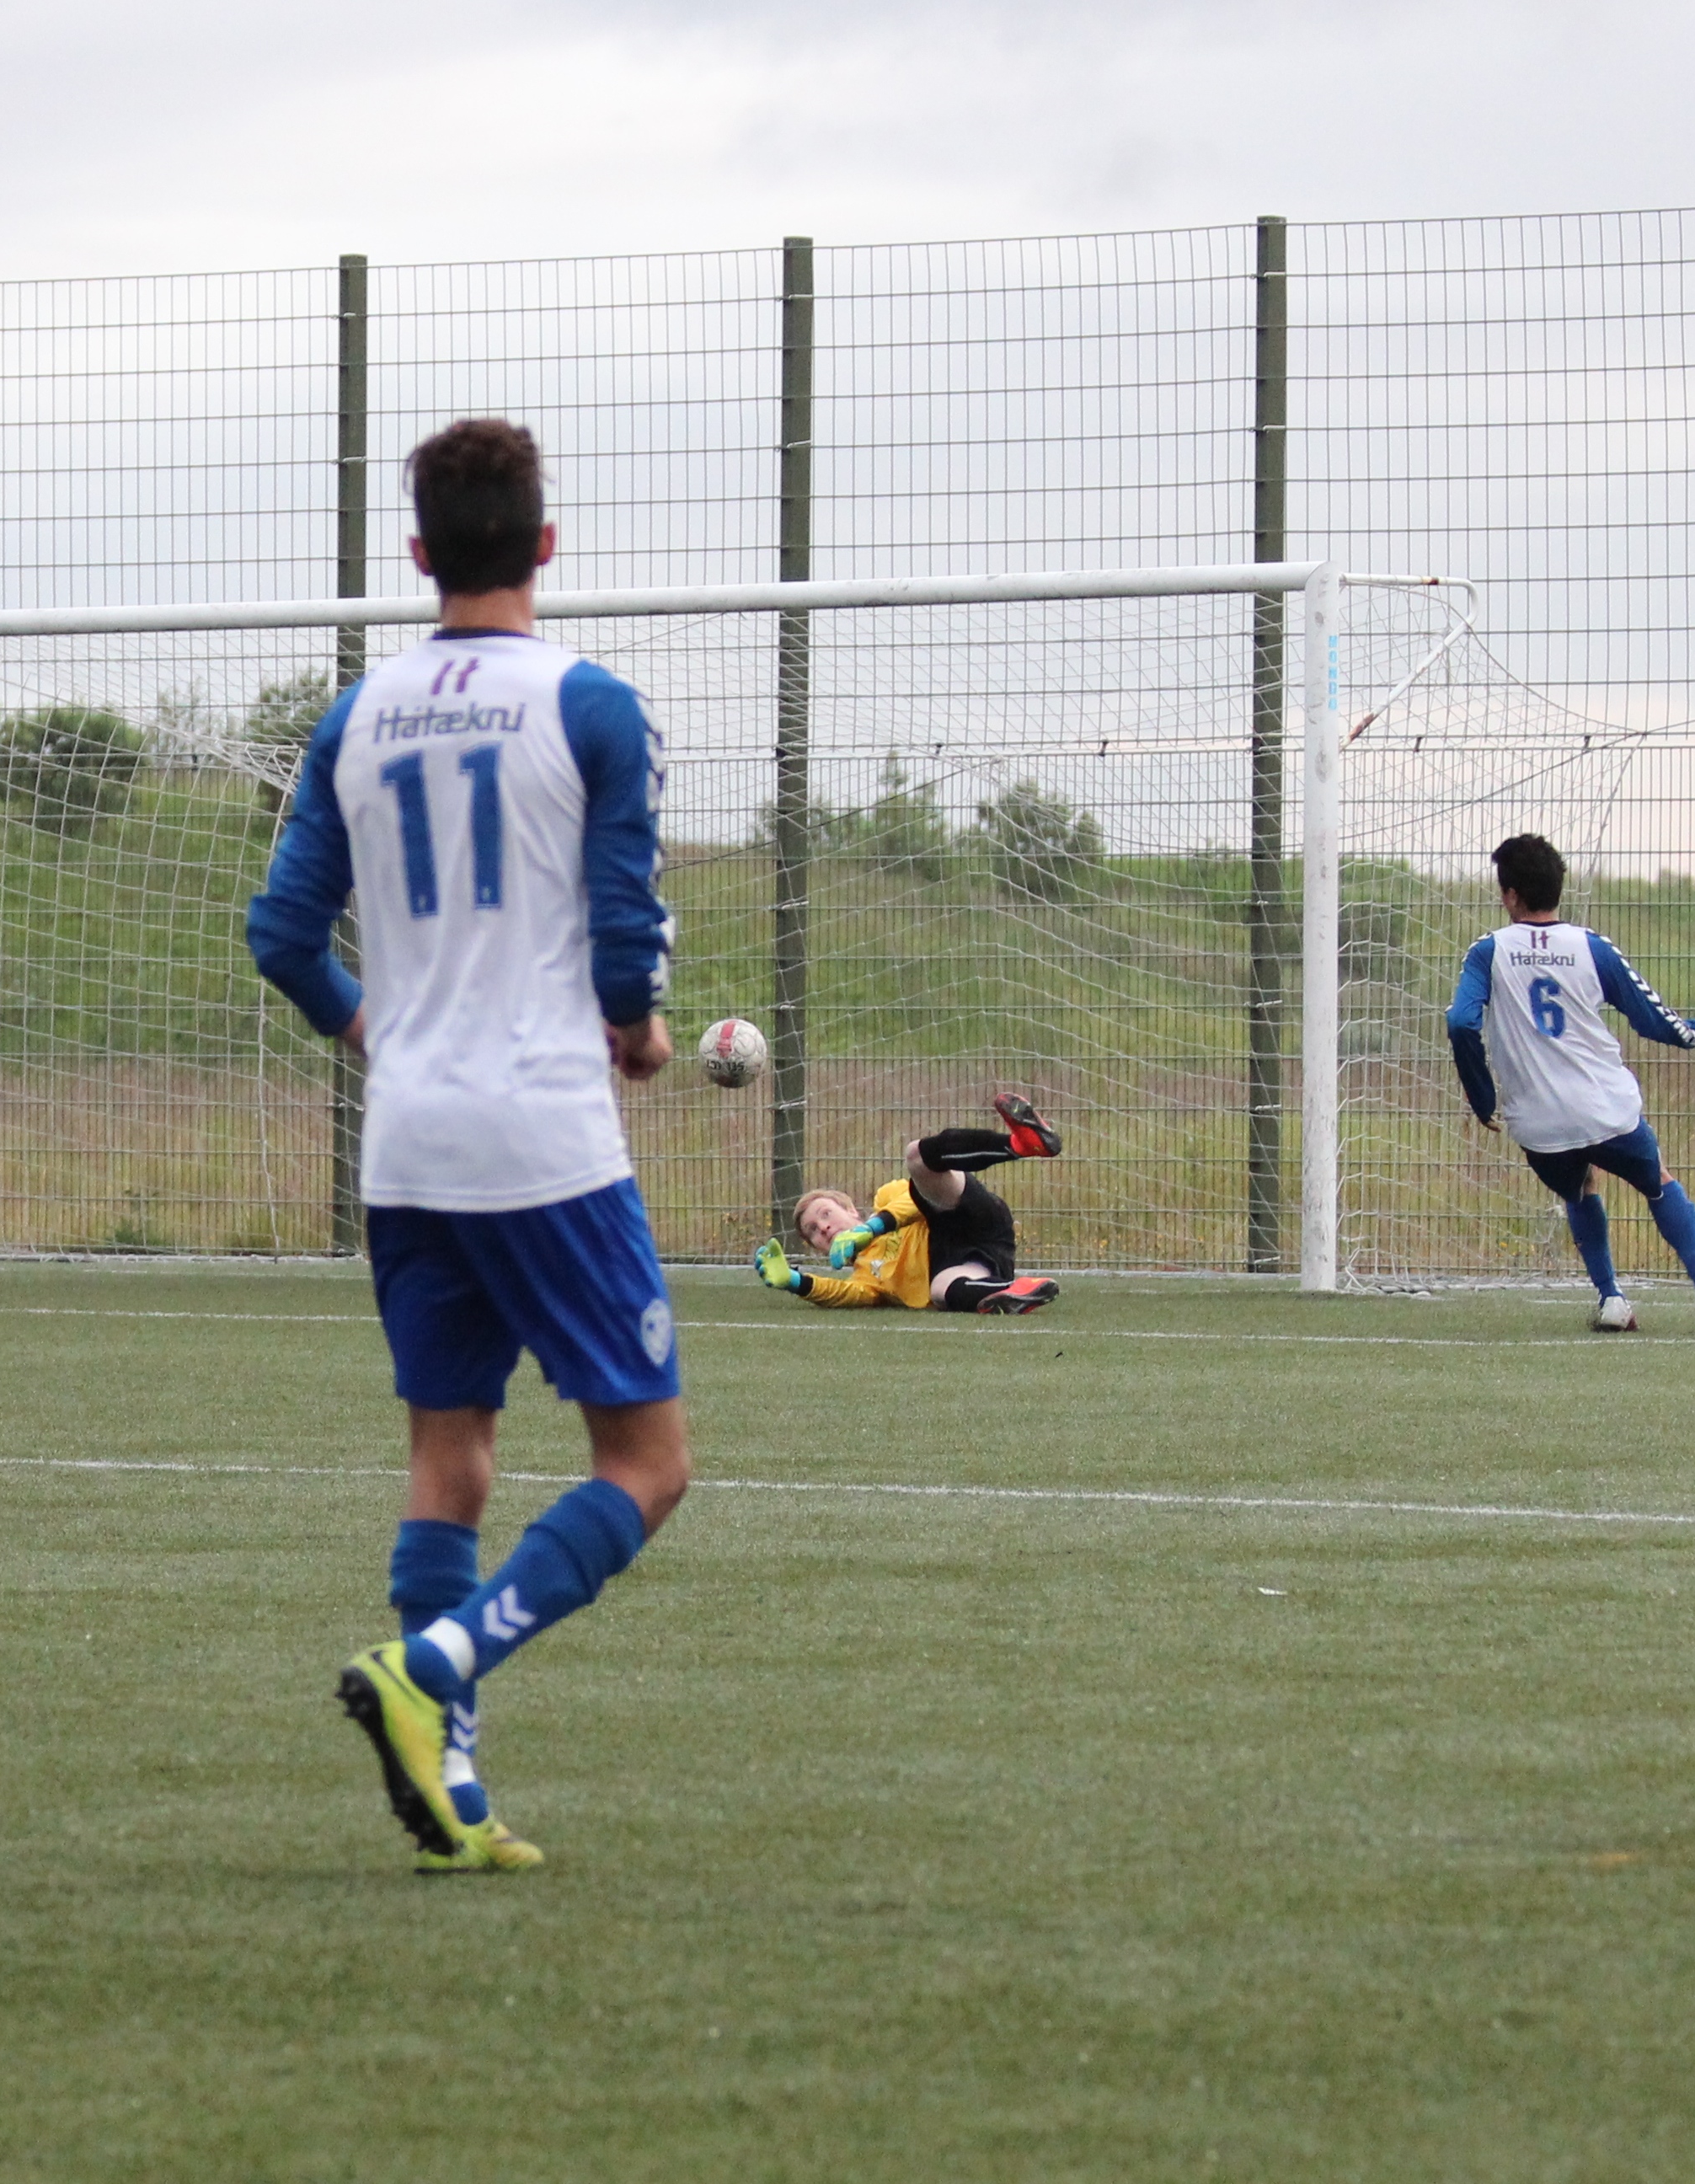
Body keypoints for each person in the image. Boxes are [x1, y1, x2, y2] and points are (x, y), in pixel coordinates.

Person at [247, 419, 685, 1873]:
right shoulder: (593, 706)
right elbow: (623, 939)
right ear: (545, 543)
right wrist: (639, 1028)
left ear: (419, 551)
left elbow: (281, 936)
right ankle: (432, 1670)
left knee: (452, 1460)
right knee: (647, 1462)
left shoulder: (355, 716)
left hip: (407, 1146)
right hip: (542, 1138)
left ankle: (456, 1792)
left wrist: (374, 1030)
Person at [1443, 832, 1695, 1331]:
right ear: (1558, 888)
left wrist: (1483, 1098)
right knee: (1658, 1182)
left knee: (1580, 1189)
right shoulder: (1591, 947)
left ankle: (1612, 1300)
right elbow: (1650, 1018)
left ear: (1511, 895)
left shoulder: (1488, 952)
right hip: (1605, 1109)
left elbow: (1461, 1022)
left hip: (1539, 1123)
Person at [756, 1095, 1065, 1313]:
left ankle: (1020, 1144)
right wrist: (795, 1282)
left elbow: (914, 1201)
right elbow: (843, 1294)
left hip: (965, 1216)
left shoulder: (886, 1197)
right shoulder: (866, 1277)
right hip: (973, 1264)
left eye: (826, 1214)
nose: (823, 1227)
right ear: (817, 1248)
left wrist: (872, 1228)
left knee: (917, 1156)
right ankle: (1016, 1291)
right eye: (813, 1231)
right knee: (940, 1292)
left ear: (851, 1210)